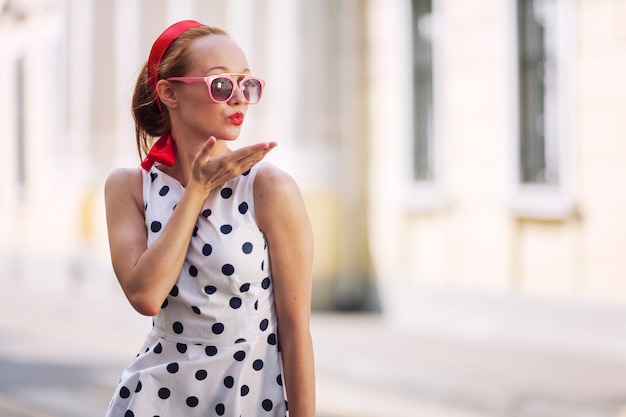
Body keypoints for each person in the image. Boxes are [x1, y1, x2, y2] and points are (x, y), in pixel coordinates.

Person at [104, 20, 315, 417]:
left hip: (249, 400)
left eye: (247, 85)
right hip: (153, 399)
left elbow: (295, 330)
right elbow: (145, 296)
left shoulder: (270, 188)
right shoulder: (129, 187)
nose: (238, 99)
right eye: (221, 85)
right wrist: (197, 191)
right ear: (169, 93)